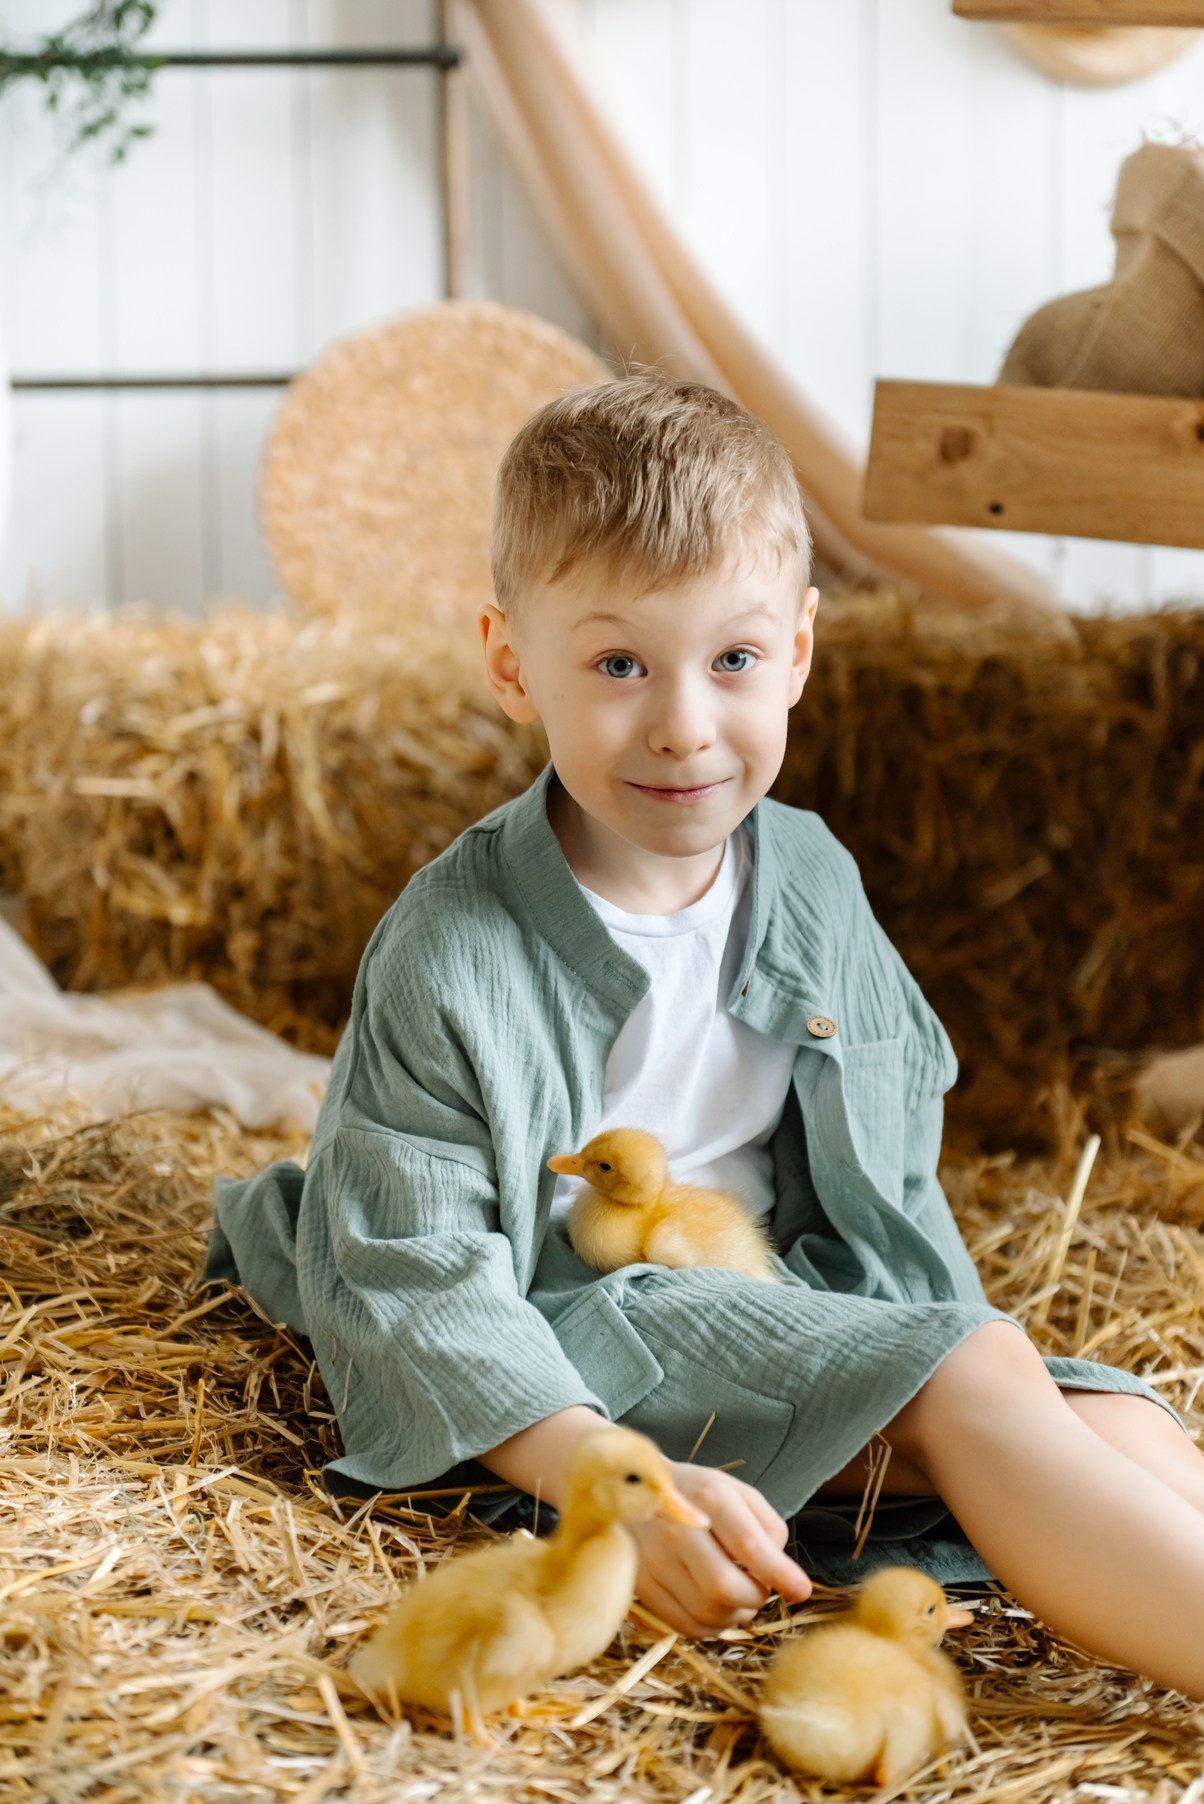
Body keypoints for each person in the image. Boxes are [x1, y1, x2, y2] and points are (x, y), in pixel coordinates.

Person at [206, 374, 1204, 1697]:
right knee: (973, 1382)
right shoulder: (453, 950)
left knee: (1111, 1415)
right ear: (513, 664)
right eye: (619, 664)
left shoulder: (806, 875)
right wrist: (592, 1481)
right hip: (584, 1340)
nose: (684, 723)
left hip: (778, 1305)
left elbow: (890, 1169)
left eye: (730, 660)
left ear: (795, 650)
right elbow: (419, 1269)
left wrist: (926, 1333)